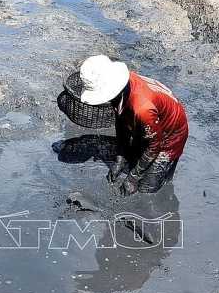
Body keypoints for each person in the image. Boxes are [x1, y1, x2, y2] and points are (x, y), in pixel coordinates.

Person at [79, 55, 189, 196]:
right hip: (149, 125)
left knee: (147, 191)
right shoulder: (121, 88)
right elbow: (121, 121)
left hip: (170, 136)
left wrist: (133, 178)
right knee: (135, 162)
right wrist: (120, 158)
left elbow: (156, 145)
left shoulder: (141, 108)